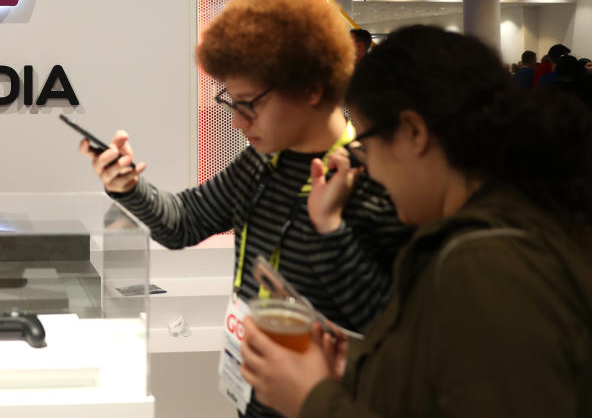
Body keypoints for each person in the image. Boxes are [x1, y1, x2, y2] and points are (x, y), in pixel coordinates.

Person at [78, 0, 412, 418]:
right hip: (253, 394)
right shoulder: (258, 163)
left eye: (250, 104)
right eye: (230, 102)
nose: (237, 121)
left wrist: (329, 230)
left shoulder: (376, 180)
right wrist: (128, 187)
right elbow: (183, 222)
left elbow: (389, 323)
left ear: (311, 89)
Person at [239, 25, 592, 418]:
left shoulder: (486, 264)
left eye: (367, 147)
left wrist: (313, 399)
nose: (370, 171)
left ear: (413, 132)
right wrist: (363, 368)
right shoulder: (498, 236)